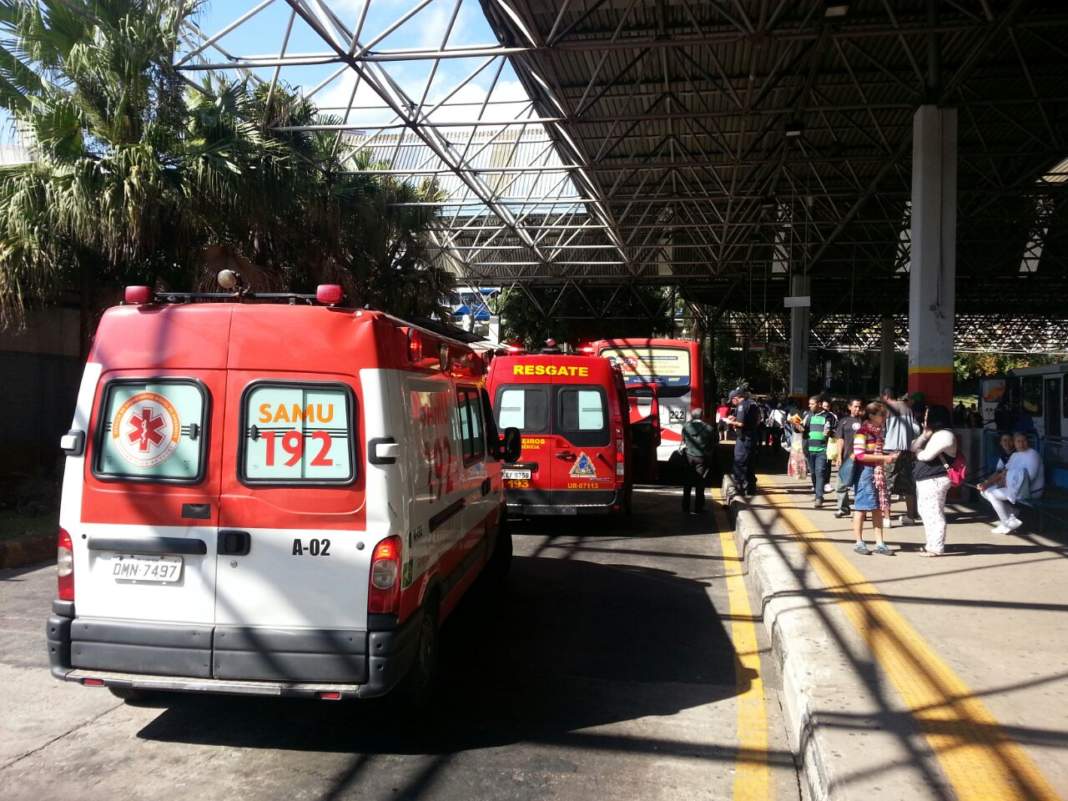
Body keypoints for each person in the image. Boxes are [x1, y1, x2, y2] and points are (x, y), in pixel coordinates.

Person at [851, 401, 899, 555]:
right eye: (882, 415)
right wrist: (884, 458)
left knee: (877, 508)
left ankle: (880, 543)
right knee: (861, 508)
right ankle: (859, 542)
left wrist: (884, 458)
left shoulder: (877, 432)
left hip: (876, 472)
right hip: (865, 473)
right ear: (871, 416)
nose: (885, 417)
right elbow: (859, 455)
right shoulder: (862, 432)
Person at [911, 405, 958, 556]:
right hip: (927, 479)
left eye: (927, 415)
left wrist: (919, 451)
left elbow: (925, 455)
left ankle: (936, 547)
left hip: (935, 479)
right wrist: (924, 435)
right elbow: (913, 447)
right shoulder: (934, 433)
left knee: (934, 513)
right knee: (925, 511)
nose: (924, 418)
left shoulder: (945, 435)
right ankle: (931, 544)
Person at [979, 432, 1044, 533]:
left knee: (992, 494)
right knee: (985, 491)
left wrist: (1006, 480)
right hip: (1014, 487)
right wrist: (987, 483)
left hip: (1030, 490)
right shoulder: (1015, 455)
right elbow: (1004, 472)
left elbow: (1030, 478)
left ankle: (1006, 521)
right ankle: (1011, 517)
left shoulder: (1033, 454)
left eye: (1024, 441)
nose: (1022, 443)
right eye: (1018, 441)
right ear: (1015, 443)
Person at [880, 387, 920, 526]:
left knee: (886, 485)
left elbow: (881, 430)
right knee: (908, 484)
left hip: (890, 451)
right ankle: (910, 516)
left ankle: (886, 518)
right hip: (907, 451)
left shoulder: (886, 409)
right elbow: (916, 430)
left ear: (885, 396)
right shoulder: (908, 409)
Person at [726, 388, 761, 497]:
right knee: (750, 463)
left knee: (740, 462)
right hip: (752, 436)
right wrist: (735, 417)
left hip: (744, 438)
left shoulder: (742, 405)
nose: (732, 403)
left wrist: (730, 421)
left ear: (736, 398)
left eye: (732, 400)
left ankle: (740, 487)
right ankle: (750, 488)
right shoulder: (752, 404)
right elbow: (757, 420)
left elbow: (740, 424)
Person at [680, 409, 716, 515]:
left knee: (687, 482)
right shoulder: (709, 428)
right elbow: (712, 444)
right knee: (700, 483)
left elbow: (683, 440)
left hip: (689, 456)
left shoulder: (686, 426)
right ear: (702, 416)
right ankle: (698, 508)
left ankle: (685, 508)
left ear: (692, 415)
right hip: (702, 458)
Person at [833, 398, 864, 518]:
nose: (857, 409)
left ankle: (861, 511)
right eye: (855, 406)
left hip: (862, 458)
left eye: (859, 407)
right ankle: (843, 508)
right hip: (846, 458)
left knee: (860, 485)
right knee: (841, 485)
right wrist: (839, 456)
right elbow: (840, 439)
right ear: (849, 407)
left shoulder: (865, 421)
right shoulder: (844, 421)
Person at [801, 395, 833, 509]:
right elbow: (802, 428)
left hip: (822, 450)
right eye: (809, 404)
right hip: (809, 449)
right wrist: (796, 426)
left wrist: (829, 432)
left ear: (819, 404)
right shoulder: (807, 415)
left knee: (820, 472)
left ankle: (819, 497)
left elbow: (832, 430)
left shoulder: (828, 416)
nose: (809, 406)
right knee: (813, 473)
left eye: (812, 404)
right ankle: (817, 492)